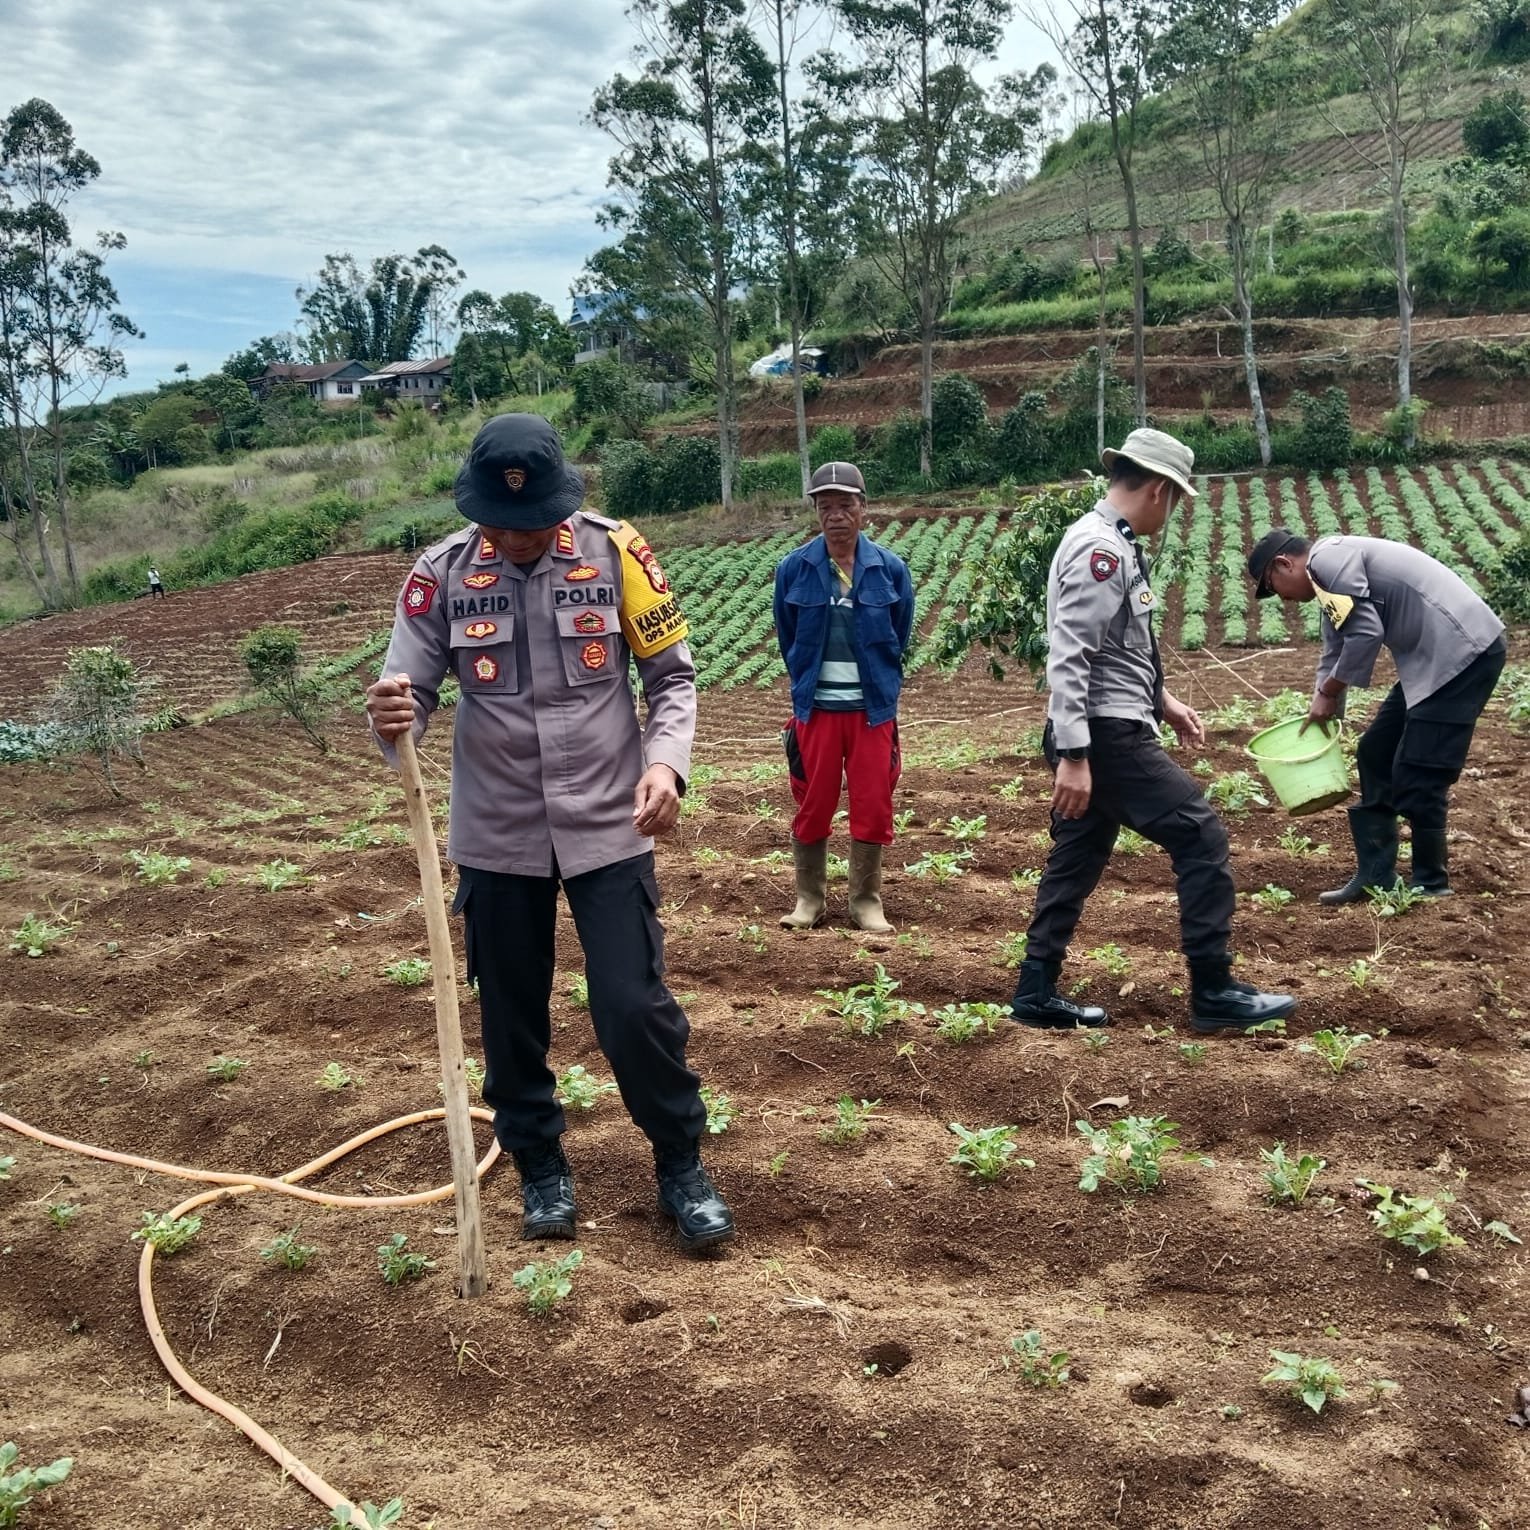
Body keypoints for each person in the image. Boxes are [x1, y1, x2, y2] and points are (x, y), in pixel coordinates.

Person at [364, 413, 734, 1254]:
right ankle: (540, 1165)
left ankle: (680, 1161)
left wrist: (666, 766)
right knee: (511, 1013)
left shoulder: (617, 554)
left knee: (633, 1004)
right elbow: (409, 696)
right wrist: (393, 718)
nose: (517, 537)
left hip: (610, 820)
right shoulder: (441, 576)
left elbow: (672, 679)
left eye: (532, 524)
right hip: (497, 832)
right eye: (500, 522)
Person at [1012, 429, 1297, 1035]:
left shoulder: (1107, 542)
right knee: (1200, 836)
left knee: (1077, 857)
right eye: (1176, 501)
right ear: (1161, 490)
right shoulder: (1101, 551)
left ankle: (1035, 990)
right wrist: (1074, 754)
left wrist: (1161, 700)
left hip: (1108, 725)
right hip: (1103, 736)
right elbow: (1070, 655)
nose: (1171, 514)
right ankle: (1214, 988)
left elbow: (1115, 647)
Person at [1248, 528, 1507, 902]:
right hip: (1429, 662)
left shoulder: (1329, 561)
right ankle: (1376, 876)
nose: (1283, 600)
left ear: (1284, 564)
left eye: (1273, 587)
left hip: (1463, 653)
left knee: (1419, 770)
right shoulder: (1328, 582)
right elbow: (1335, 645)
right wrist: (1326, 709)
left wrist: (1328, 692)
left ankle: (1431, 883)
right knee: (1375, 753)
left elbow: (1366, 634)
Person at [773, 461, 915, 935]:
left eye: (845, 505)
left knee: (873, 802)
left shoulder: (890, 570)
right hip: (817, 709)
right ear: (816, 511)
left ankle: (865, 902)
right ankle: (809, 900)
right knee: (814, 801)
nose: (836, 515)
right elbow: (788, 636)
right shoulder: (793, 569)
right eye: (825, 506)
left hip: (871, 711)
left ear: (863, 509)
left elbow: (900, 633)